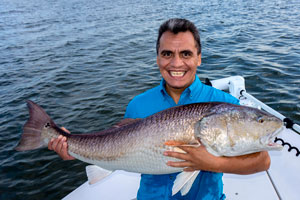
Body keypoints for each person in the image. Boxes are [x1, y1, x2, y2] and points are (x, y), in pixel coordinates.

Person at [48, 18, 270, 200]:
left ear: (199, 58)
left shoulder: (224, 102)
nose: (176, 63)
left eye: (186, 54)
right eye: (167, 54)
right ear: (157, 59)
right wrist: (74, 149)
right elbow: (115, 150)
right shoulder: (138, 105)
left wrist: (210, 162)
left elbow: (262, 161)